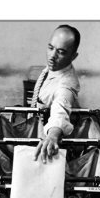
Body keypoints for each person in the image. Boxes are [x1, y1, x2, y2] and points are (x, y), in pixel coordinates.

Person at [33, 24, 81, 163]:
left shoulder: (66, 84)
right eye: (50, 48)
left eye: (61, 52)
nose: (52, 56)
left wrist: (53, 136)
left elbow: (61, 107)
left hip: (49, 142)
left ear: (73, 56)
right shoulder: (54, 67)